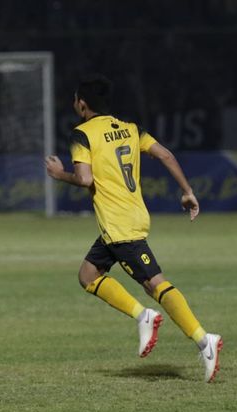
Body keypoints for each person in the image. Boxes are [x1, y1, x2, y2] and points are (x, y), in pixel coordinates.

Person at [45, 74, 222, 383]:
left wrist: (60, 175)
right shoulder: (130, 129)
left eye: (75, 99)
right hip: (130, 219)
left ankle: (203, 340)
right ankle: (145, 316)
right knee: (88, 275)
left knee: (155, 285)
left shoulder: (82, 134)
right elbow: (165, 154)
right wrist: (187, 191)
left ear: (82, 104)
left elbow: (85, 179)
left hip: (120, 227)